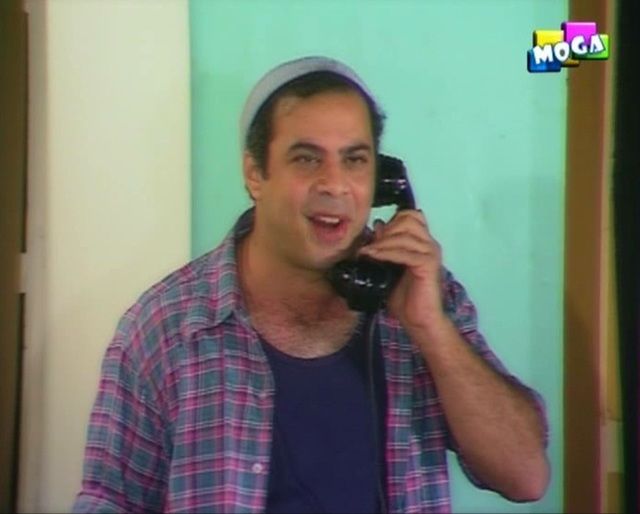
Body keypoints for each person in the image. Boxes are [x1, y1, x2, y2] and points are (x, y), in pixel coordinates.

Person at [73, 56, 550, 513]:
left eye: (355, 160)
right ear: (255, 174)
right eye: (306, 159)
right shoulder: (164, 327)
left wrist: (431, 329)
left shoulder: (426, 298)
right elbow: (110, 500)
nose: (335, 185)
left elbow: (525, 478)